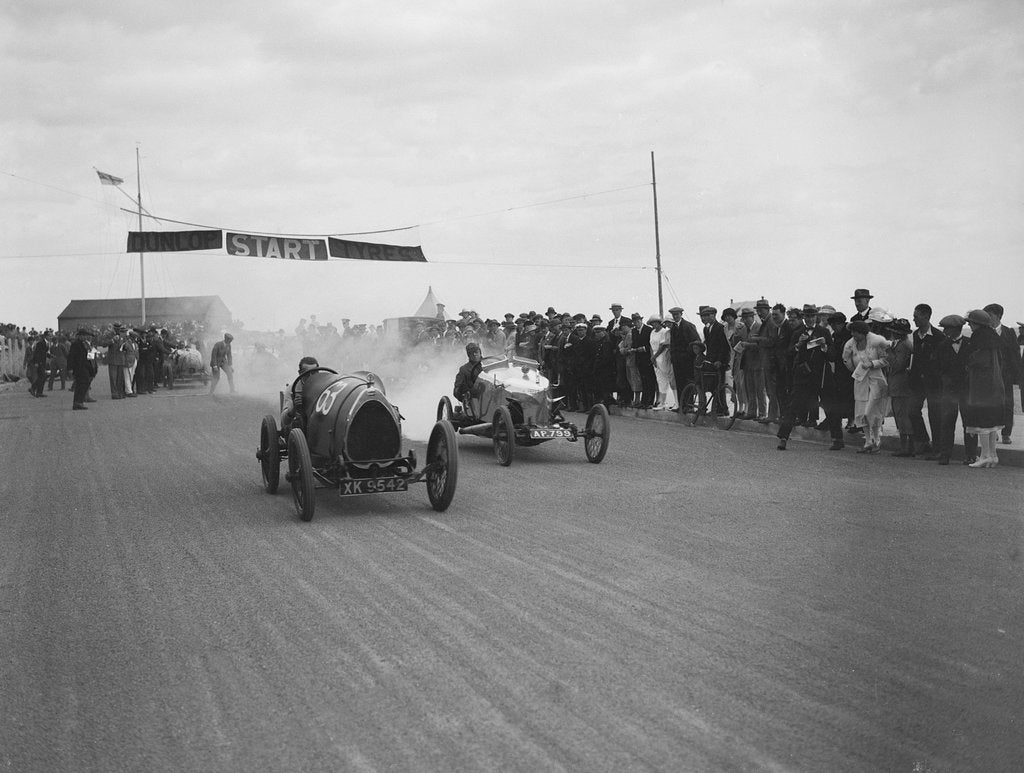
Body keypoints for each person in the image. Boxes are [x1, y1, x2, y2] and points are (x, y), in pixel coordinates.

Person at [962, 309, 1006, 468]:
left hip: (982, 385)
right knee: (992, 422)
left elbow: (978, 360)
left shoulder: (980, 338)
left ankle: (985, 455)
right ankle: (993, 455)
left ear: (978, 324)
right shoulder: (993, 337)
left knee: (981, 420)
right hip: (995, 384)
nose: (969, 325)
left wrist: (967, 362)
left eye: (971, 323)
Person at [843, 320, 891, 453]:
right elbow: (847, 360)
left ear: (864, 333)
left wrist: (872, 364)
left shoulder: (877, 342)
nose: (853, 335)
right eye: (852, 332)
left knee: (872, 411)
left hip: (876, 380)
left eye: (856, 332)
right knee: (861, 411)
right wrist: (855, 371)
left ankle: (877, 440)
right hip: (860, 380)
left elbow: (886, 359)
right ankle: (868, 441)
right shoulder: (850, 345)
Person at [982, 303, 1022, 445]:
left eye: (990, 315)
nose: (988, 319)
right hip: (988, 376)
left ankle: (1006, 433)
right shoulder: (984, 332)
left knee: (1008, 405)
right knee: (989, 405)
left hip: (1005, 376)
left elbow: (1015, 355)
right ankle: (993, 432)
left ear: (998, 316)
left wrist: (1018, 376)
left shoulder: (1009, 332)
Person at [936, 315, 972, 465]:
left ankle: (970, 455)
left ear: (956, 329)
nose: (944, 331)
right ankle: (945, 454)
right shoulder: (942, 345)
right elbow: (937, 367)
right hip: (949, 390)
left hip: (966, 389)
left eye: (947, 328)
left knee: (968, 423)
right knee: (947, 422)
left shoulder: (971, 344)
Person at [886, 318, 918, 457]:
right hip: (900, 384)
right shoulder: (903, 344)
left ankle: (906, 448)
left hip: (900, 384)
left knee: (902, 415)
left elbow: (898, 365)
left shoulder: (902, 346)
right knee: (901, 415)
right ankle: (907, 446)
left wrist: (889, 353)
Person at [281, 356, 320, 433]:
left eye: (314, 373)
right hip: (300, 429)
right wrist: (293, 409)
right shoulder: (292, 389)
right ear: (300, 373)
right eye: (307, 373)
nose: (311, 377)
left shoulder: (323, 386)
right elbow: (284, 421)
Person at [648, 315, 677, 410]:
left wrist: (655, 356)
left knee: (669, 377)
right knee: (660, 379)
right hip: (655, 357)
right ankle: (662, 402)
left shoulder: (664, 331)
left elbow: (663, 346)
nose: (654, 324)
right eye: (652, 323)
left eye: (656, 322)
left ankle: (676, 402)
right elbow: (651, 345)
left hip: (663, 355)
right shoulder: (652, 332)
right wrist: (652, 357)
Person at [67, 328, 96, 410]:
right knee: (81, 385)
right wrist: (70, 368)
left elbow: (90, 357)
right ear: (79, 336)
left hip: (85, 367)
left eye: (85, 336)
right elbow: (71, 357)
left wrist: (92, 366)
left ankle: (79, 402)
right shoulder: (75, 344)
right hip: (79, 368)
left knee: (84, 385)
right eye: (83, 335)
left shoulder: (85, 344)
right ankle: (78, 402)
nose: (85, 337)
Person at [453, 342, 484, 409]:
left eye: (476, 352)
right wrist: (466, 393)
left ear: (480, 352)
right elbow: (457, 390)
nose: (475, 354)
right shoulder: (464, 369)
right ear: (469, 355)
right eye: (472, 353)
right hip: (475, 400)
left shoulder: (489, 364)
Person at [29, 330, 50, 397]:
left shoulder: (46, 343)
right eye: (49, 335)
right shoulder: (40, 343)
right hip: (39, 362)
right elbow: (37, 353)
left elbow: (44, 353)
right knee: (42, 376)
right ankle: (33, 388)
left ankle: (39, 392)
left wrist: (50, 356)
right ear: (45, 336)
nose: (50, 337)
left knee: (42, 377)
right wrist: (37, 362)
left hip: (42, 362)